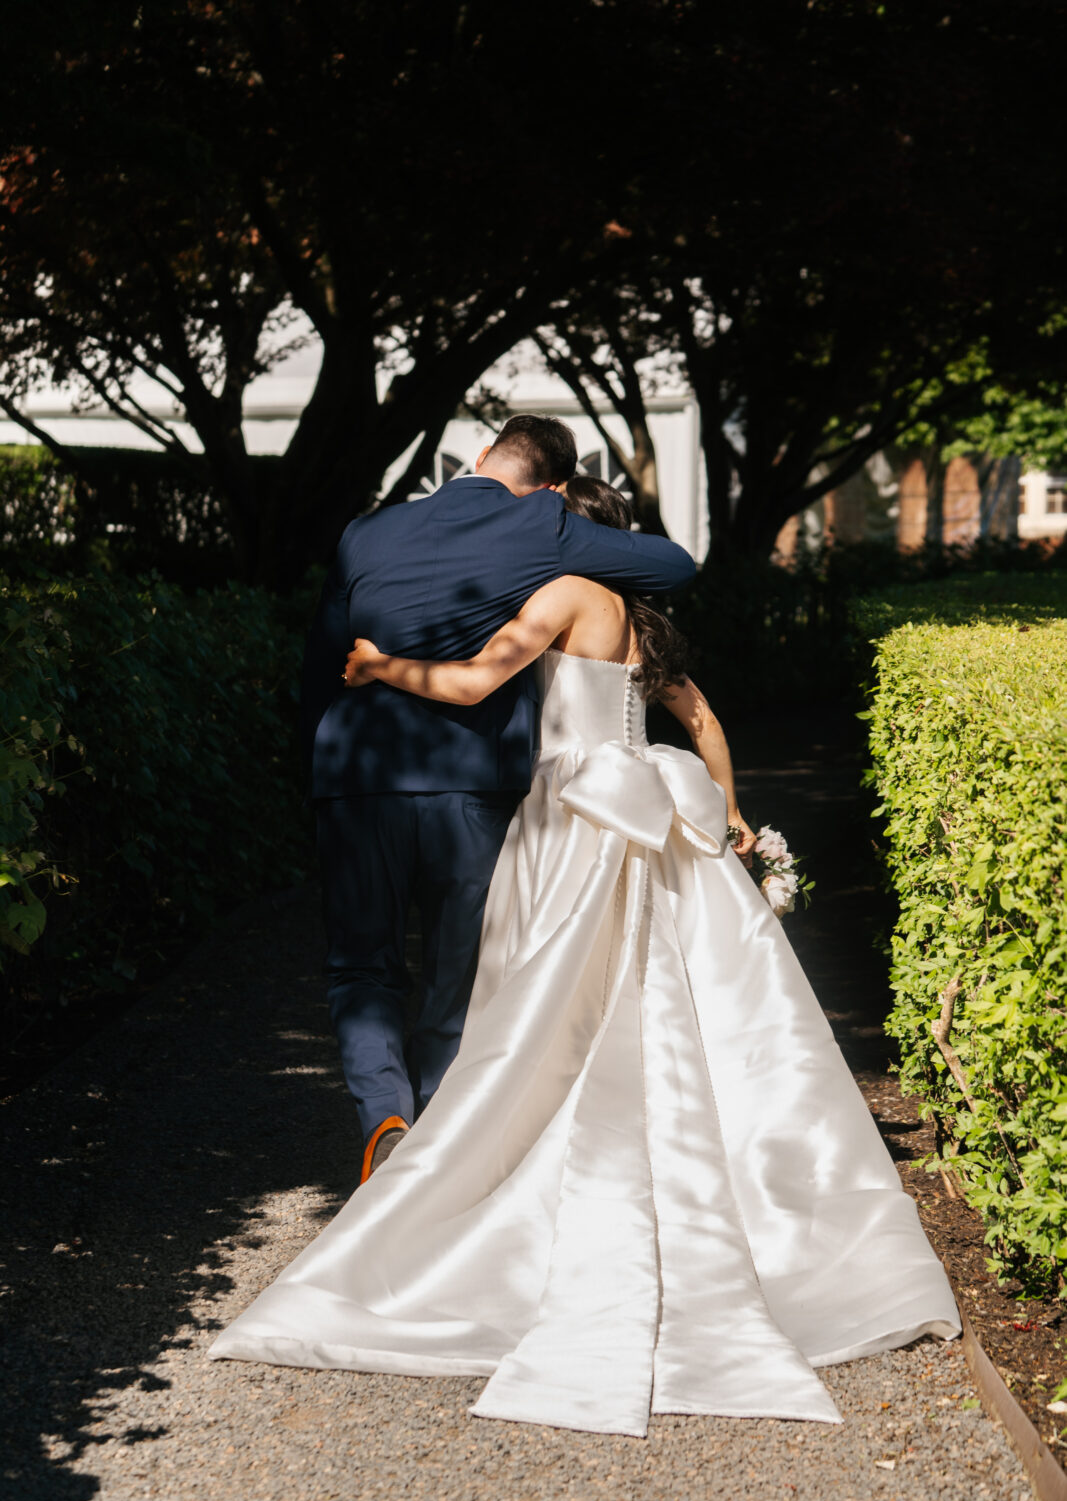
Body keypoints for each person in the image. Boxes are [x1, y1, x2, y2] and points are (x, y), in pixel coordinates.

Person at [210, 478, 960, 1437]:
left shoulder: (562, 596)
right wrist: (728, 809)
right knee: (670, 988)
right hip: (647, 792)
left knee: (552, 990)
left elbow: (479, 679)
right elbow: (702, 720)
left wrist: (378, 664)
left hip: (573, 809)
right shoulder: (647, 626)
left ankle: (507, 1143)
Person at [299, 417, 695, 1183]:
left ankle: (384, 1112)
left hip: (355, 773)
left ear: (480, 459)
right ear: (551, 484)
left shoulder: (367, 532)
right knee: (461, 964)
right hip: (469, 781)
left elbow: (324, 660)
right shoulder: (544, 523)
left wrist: (315, 770)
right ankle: (438, 1132)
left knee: (360, 964)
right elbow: (675, 566)